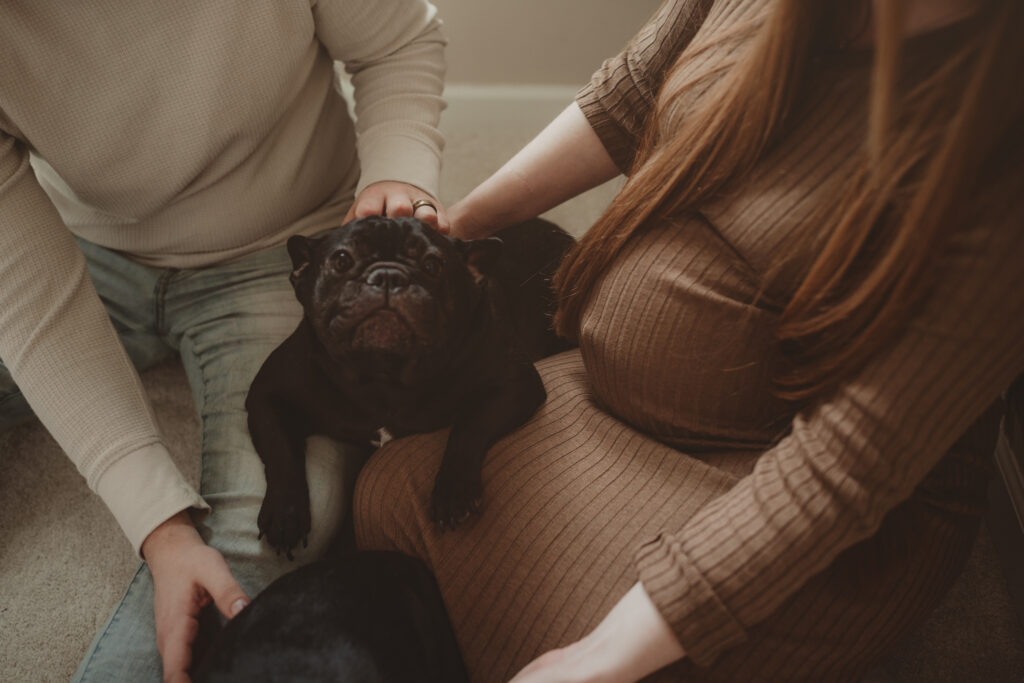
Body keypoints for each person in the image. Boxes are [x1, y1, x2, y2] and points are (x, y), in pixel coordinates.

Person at [352, 0, 1024, 680]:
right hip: (618, 401)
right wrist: (458, 230)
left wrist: (600, 657)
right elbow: (630, 99)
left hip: (795, 476)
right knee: (387, 498)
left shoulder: (1000, 139)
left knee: (566, 641)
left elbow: (847, 465)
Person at [0, 2, 447, 680]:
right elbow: (31, 304)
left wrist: (399, 174)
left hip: (278, 240)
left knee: (278, 532)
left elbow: (399, 43)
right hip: (77, 243)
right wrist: (158, 524)